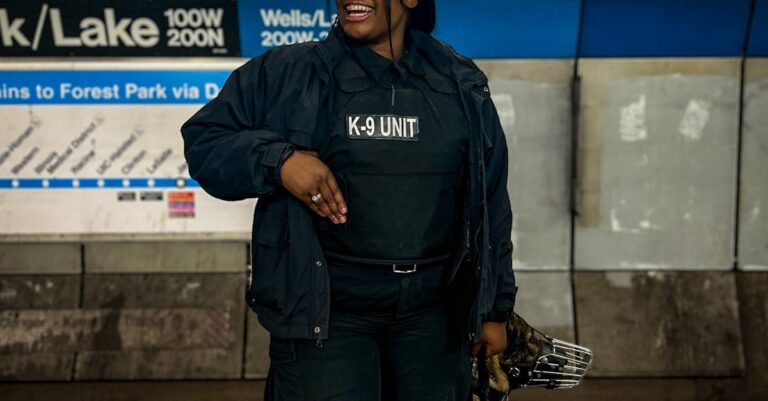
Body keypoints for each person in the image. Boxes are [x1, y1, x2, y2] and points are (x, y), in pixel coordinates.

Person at [180, 0, 516, 399]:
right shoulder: (285, 73)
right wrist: (279, 161)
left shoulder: (460, 81)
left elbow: (490, 202)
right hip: (327, 318)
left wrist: (495, 311)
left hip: (434, 319)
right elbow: (205, 142)